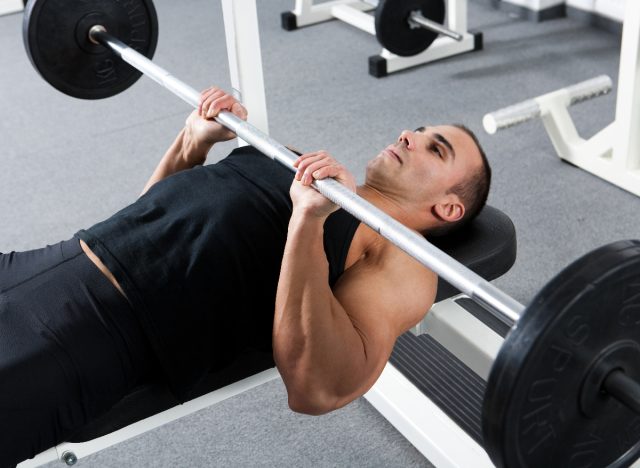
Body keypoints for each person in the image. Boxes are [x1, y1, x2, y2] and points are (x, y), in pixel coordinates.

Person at [0, 87, 490, 466]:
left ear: (448, 207)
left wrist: (308, 222)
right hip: (48, 261)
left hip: (89, 337)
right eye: (419, 129)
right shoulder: (298, 163)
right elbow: (148, 219)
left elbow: (319, 388)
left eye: (435, 148)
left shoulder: (401, 258)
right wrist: (190, 142)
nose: (409, 135)